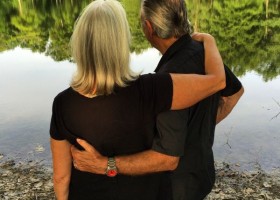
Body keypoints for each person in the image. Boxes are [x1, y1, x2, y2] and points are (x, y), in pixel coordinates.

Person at [50, 0, 226, 200]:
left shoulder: (62, 104)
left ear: (80, 42)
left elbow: (61, 177)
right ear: (121, 41)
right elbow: (217, 81)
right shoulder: (153, 88)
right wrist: (209, 41)